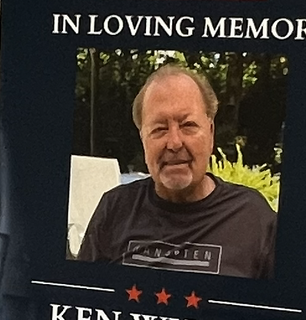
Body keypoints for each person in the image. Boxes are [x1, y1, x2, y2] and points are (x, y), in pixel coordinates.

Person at [76, 63, 276, 277]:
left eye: (188, 125)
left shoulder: (253, 218)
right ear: (143, 139)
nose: (174, 143)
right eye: (159, 129)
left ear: (210, 133)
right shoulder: (114, 210)